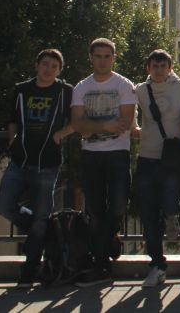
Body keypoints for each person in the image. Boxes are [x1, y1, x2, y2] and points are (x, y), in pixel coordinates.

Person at [0, 49, 74, 289]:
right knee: (3, 205)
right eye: (45, 64)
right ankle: (45, 229)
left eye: (54, 66)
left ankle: (29, 271)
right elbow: (12, 118)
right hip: (20, 160)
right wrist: (12, 139)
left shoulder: (65, 91)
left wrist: (61, 134)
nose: (49, 69)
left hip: (47, 162)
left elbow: (77, 119)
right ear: (37, 65)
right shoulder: (22, 89)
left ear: (59, 70)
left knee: (41, 216)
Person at [70, 38, 136, 287]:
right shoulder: (81, 87)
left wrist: (93, 126)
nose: (102, 61)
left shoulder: (123, 85)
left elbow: (125, 122)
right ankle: (101, 262)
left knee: (118, 203)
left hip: (118, 152)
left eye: (107, 56)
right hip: (91, 154)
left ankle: (109, 235)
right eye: (98, 56)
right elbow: (77, 124)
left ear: (113, 58)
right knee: (95, 208)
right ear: (91, 58)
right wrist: (106, 125)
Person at [135, 49, 180, 288]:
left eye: (162, 66)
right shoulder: (140, 89)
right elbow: (129, 113)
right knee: (148, 214)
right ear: (148, 68)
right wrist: (134, 130)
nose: (158, 70)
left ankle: (172, 218)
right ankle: (157, 265)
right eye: (154, 66)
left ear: (170, 68)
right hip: (146, 156)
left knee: (170, 201)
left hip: (172, 158)